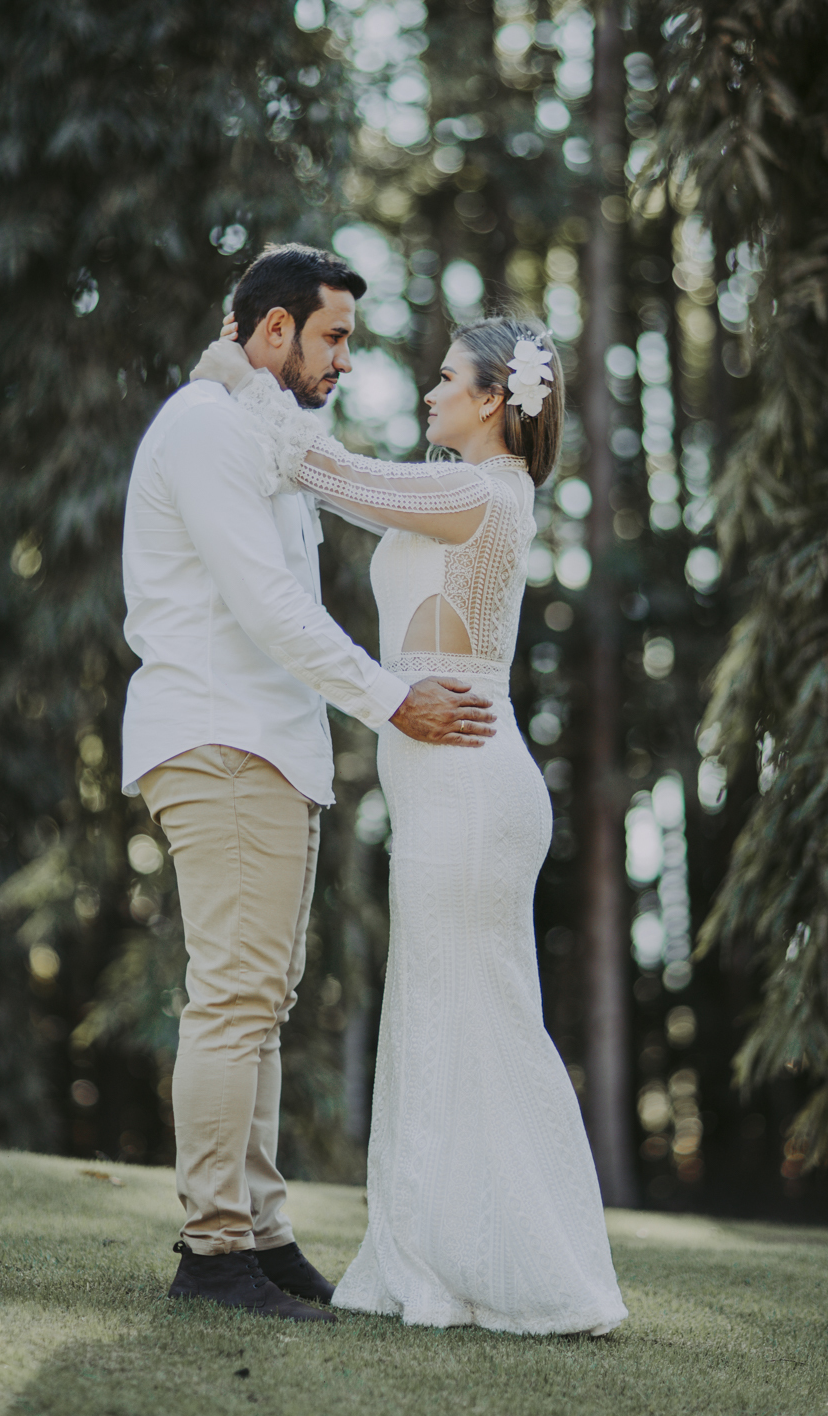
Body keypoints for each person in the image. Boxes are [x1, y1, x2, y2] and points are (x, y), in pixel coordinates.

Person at [196, 312, 628, 1336]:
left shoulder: (475, 490)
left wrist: (241, 371)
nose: (427, 394)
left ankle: (524, 1268)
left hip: (472, 792)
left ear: (489, 401)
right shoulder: (472, 491)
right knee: (441, 1014)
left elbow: (332, 473)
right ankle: (435, 1256)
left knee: (475, 1018)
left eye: (443, 381)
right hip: (449, 787)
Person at [121, 244, 497, 1325]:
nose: (345, 359)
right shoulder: (203, 429)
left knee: (262, 1003)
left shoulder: (275, 439)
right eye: (332, 335)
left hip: (271, 748)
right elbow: (266, 609)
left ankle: (264, 1229)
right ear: (273, 329)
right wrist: (390, 699)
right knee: (232, 996)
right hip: (219, 735)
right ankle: (213, 1247)